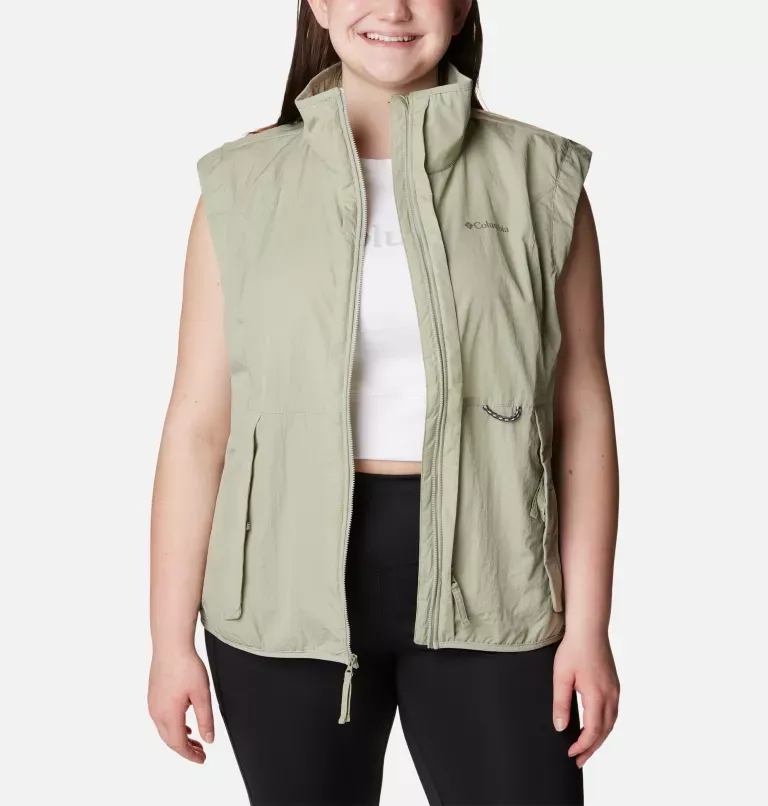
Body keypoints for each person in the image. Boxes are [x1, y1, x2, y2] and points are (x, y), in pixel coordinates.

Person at [147, 1, 620, 803]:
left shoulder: (540, 180)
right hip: (280, 601)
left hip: (498, 580)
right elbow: (198, 426)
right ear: (320, 4)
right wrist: (168, 640)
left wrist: (589, 628)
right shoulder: (242, 186)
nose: (394, 9)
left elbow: (582, 411)